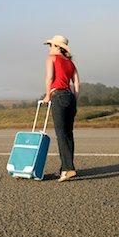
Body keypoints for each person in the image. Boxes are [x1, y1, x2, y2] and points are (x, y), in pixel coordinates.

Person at [41, 35, 80, 182]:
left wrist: (47, 95)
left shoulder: (51, 59)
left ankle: (68, 168)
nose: (49, 48)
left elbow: (49, 78)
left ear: (58, 47)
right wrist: (74, 102)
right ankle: (66, 167)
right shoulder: (70, 63)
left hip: (58, 96)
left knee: (61, 133)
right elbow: (76, 84)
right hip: (70, 98)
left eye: (51, 45)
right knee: (68, 134)